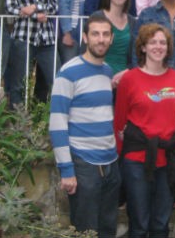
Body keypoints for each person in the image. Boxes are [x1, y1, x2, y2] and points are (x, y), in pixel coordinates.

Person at [49, 15, 120, 238]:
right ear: (85, 37)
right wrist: (66, 170)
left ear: (112, 38)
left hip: (110, 163)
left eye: (105, 34)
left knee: (108, 229)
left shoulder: (107, 71)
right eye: (95, 34)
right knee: (86, 232)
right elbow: (57, 124)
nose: (101, 39)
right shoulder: (68, 73)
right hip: (83, 164)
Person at [114, 23, 175, 238]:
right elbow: (119, 121)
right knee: (139, 224)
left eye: (163, 42)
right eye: (152, 42)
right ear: (143, 47)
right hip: (137, 159)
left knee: (161, 224)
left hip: (169, 159)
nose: (158, 47)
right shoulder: (129, 79)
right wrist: (120, 154)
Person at [4, 0, 58, 107]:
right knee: (19, 83)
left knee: (56, 79)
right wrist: (36, 13)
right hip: (23, 38)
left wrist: (33, 8)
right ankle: (18, 118)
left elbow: (54, 7)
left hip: (47, 39)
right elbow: (10, 8)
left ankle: (50, 115)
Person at [93, 0, 136, 89]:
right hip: (99, 80)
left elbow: (136, 57)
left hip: (125, 81)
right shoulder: (97, 18)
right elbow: (86, 52)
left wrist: (126, 72)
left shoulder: (133, 22)